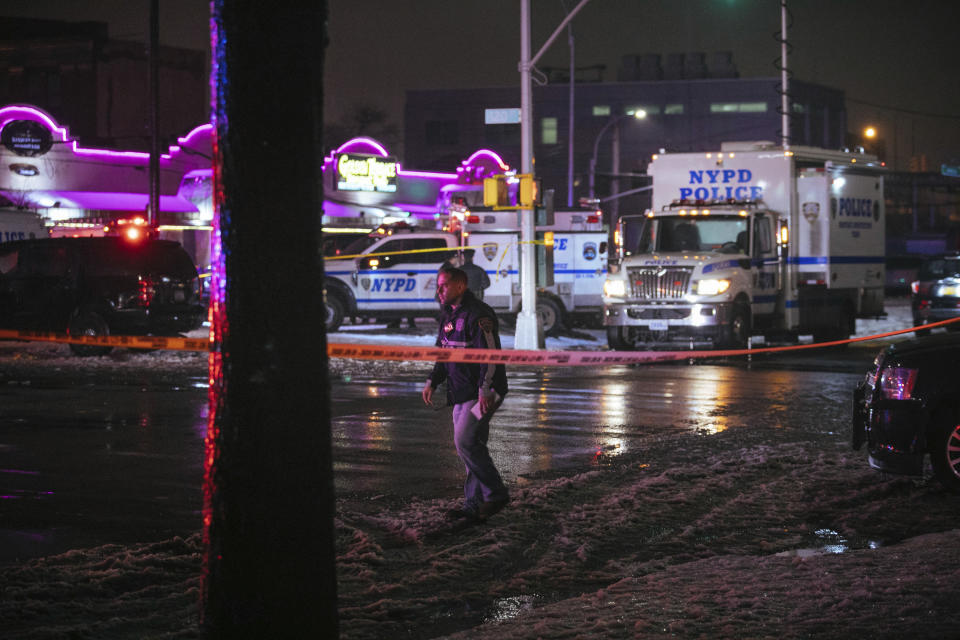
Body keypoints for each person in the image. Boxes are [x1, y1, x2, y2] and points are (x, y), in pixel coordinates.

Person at [422, 267, 509, 523]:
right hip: (460, 392)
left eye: (444, 285)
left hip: (484, 392)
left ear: (461, 286)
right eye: (438, 286)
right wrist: (432, 381)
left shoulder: (478, 314)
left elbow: (490, 357)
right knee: (470, 447)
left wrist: (486, 390)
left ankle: (496, 493)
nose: (439, 291)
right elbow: (443, 352)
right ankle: (474, 505)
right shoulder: (447, 314)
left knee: (466, 442)